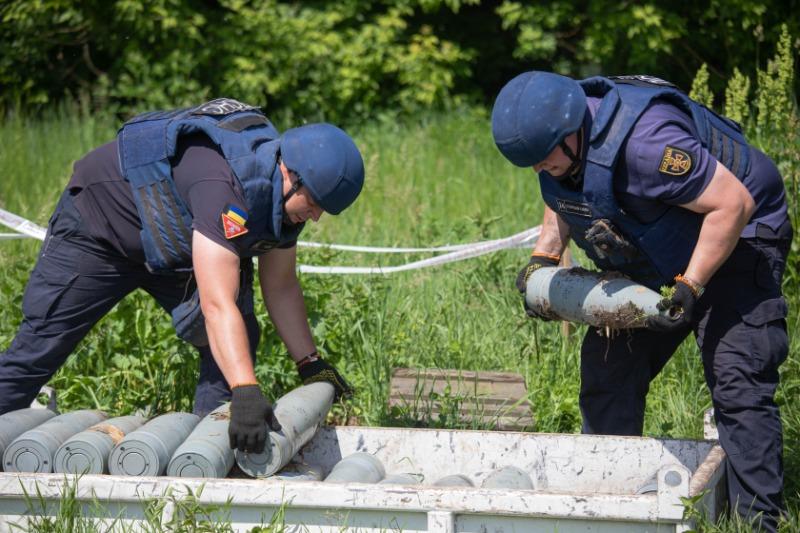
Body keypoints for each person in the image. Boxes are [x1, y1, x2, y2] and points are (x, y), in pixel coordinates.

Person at [491, 72, 791, 531]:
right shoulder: (561, 151)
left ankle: (757, 523)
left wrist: (689, 288)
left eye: (541, 157)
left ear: (571, 132)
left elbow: (732, 203)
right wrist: (543, 257)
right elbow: (564, 194)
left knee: (738, 378)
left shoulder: (646, 147)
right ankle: (613, 511)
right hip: (656, 239)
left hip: (740, 232)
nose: (536, 168)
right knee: (607, 367)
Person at [0, 97, 363, 455]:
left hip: (173, 241)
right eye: (314, 204)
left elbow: (281, 286)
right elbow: (217, 305)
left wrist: (310, 363)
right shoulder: (226, 187)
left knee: (235, 343)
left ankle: (208, 455)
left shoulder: (282, 205)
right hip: (100, 229)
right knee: (39, 349)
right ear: (289, 174)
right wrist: (247, 390)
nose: (315, 217)